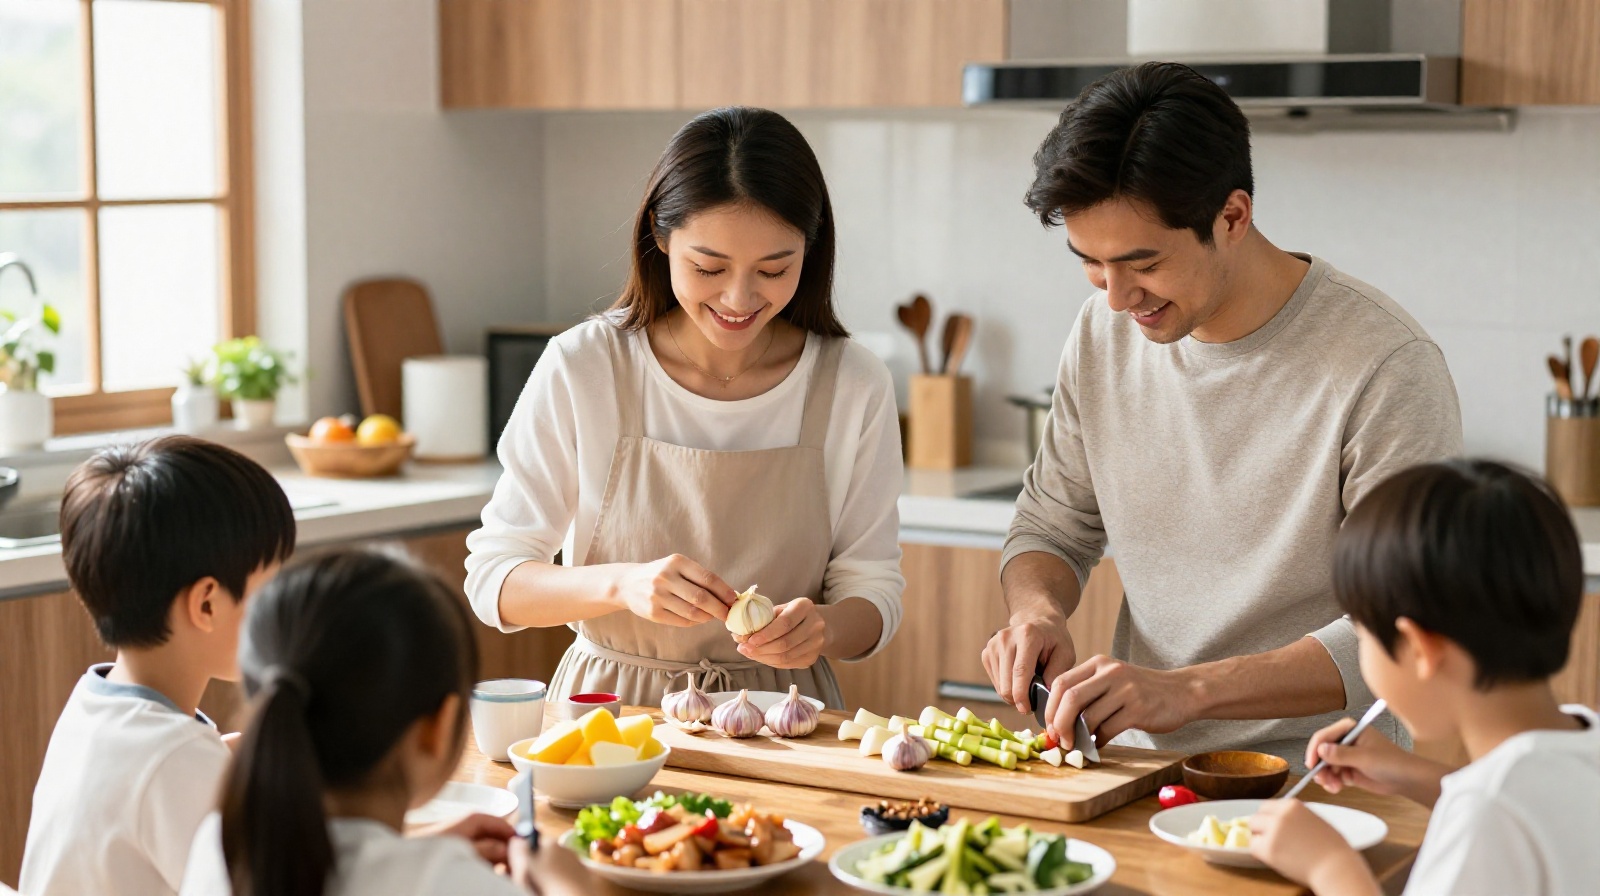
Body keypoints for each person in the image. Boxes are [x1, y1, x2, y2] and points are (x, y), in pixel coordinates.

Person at [983, 61, 1463, 764]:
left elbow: (1404, 628)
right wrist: (1038, 611)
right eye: (1091, 262)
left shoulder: (1385, 366)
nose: (1116, 298)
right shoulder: (1102, 333)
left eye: (1142, 263)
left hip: (1324, 779)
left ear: (1232, 217)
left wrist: (1189, 692)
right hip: (1136, 767)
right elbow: (1051, 526)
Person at [466, 106, 904, 708]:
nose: (739, 298)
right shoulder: (586, 365)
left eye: (774, 269)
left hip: (784, 720)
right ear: (661, 238)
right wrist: (622, 583)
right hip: (611, 716)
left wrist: (824, 628)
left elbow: (875, 593)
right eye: (708, 267)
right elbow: (495, 580)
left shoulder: (853, 383)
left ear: (811, 250)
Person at [1250, 460, 1599, 895]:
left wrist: (1330, 867)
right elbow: (1539, 812)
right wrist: (1412, 774)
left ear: (1418, 648)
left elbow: (1496, 814)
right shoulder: (1581, 743)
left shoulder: (1486, 813)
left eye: (1362, 632)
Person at [181, 549, 588, 896]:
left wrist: (417, 848)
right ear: (438, 726)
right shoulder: (452, 884)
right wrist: (571, 887)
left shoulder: (217, 845)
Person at [20, 436, 296, 896]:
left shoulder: (94, 706)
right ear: (207, 604)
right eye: (270, 588)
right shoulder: (175, 758)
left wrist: (212, 764)